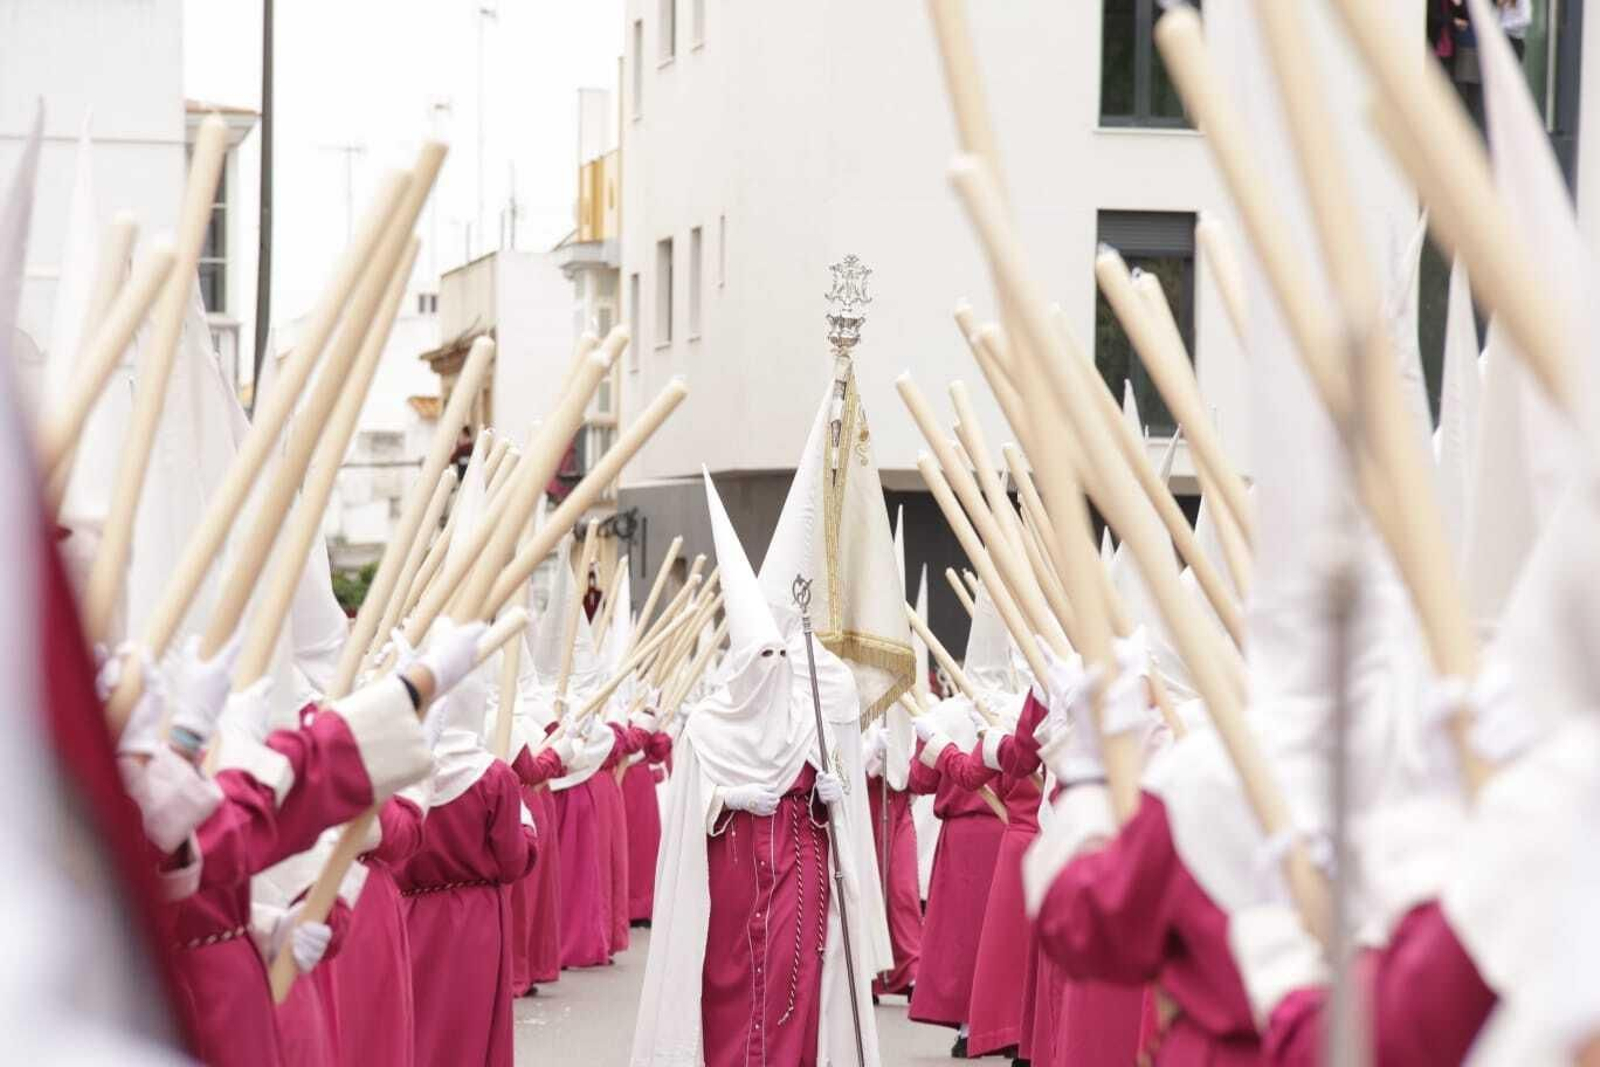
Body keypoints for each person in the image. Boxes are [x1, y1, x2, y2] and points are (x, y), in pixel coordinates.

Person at [630, 470, 884, 1066]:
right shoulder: (708, 726)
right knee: (729, 988)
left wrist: (833, 790)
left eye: (779, 654)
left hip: (800, 877)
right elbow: (689, 816)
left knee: (794, 991)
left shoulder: (806, 718)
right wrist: (733, 798)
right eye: (760, 655)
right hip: (732, 884)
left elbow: (835, 793)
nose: (770, 666)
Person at [397, 657, 538, 1067]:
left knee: (417, 1023)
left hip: (411, 914)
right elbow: (513, 863)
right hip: (472, 920)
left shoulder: (402, 769)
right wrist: (527, 829)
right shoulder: (493, 776)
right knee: (468, 1026)